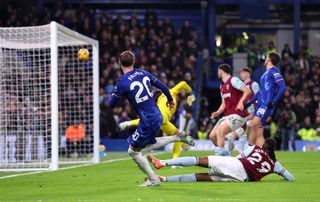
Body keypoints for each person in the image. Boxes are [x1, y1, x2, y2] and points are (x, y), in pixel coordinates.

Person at [108, 51, 194, 187]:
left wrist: (118, 94)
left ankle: (154, 179)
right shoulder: (143, 73)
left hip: (148, 119)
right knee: (146, 146)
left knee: (133, 151)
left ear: (120, 63)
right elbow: (163, 87)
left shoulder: (122, 83)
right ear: (134, 61)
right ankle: (177, 138)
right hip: (156, 115)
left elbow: (111, 104)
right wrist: (171, 100)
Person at [147, 138, 294, 183]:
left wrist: (226, 160)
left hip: (236, 165)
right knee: (201, 178)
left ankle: (163, 163)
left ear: (264, 145)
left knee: (198, 160)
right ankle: (163, 179)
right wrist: (281, 178)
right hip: (241, 179)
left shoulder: (255, 148)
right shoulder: (275, 164)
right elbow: (290, 177)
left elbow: (238, 158)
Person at [119, 81, 195, 159]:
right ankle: (174, 161)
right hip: (163, 120)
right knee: (178, 136)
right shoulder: (171, 92)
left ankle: (174, 160)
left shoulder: (158, 103)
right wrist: (191, 93)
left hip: (164, 121)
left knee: (178, 136)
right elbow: (183, 83)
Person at [209, 64, 251, 156]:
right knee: (212, 136)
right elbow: (224, 104)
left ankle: (219, 158)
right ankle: (224, 154)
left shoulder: (233, 80)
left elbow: (247, 91)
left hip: (238, 115)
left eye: (218, 71)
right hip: (228, 116)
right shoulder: (222, 86)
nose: (217, 73)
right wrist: (218, 112)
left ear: (221, 71)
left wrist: (241, 102)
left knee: (220, 131)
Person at [246, 52, 286, 146]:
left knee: (254, 124)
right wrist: (250, 102)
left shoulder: (274, 72)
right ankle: (263, 154)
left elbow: (283, 87)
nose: (265, 59)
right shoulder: (266, 73)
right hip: (260, 104)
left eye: (266, 57)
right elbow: (260, 91)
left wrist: (273, 101)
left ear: (269, 60)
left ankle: (248, 152)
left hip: (266, 105)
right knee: (259, 132)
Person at [227, 67, 260, 152]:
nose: (243, 75)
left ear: (249, 74)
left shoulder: (253, 84)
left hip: (252, 109)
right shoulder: (240, 85)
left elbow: (259, 97)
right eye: (242, 73)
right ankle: (239, 143)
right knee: (247, 125)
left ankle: (235, 138)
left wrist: (258, 109)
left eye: (245, 73)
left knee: (247, 125)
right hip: (244, 109)